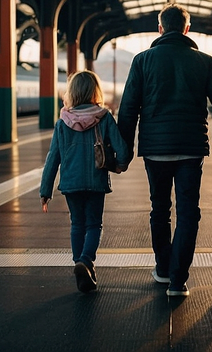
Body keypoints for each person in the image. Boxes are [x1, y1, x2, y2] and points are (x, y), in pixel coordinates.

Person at [117, 3, 212, 297]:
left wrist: (124, 151)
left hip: (154, 149)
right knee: (188, 213)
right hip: (190, 150)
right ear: (186, 29)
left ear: (160, 28)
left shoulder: (142, 61)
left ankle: (163, 269)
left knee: (159, 210)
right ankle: (179, 281)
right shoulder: (204, 61)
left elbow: (128, 109)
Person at [40, 70, 128, 293]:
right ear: (95, 91)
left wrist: (45, 189)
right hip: (96, 180)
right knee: (94, 224)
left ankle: (79, 262)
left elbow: (53, 157)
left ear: (72, 92)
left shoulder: (62, 122)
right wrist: (120, 164)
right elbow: (122, 150)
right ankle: (86, 261)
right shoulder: (104, 117)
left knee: (77, 224)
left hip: (70, 183)